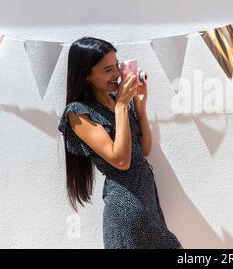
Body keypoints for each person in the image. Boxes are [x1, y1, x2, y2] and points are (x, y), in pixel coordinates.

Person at [58, 37, 181, 249]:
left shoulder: (117, 102)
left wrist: (139, 108)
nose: (116, 74)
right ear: (86, 75)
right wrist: (122, 106)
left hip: (147, 203)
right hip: (127, 208)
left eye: (116, 65)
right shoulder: (78, 113)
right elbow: (121, 161)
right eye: (107, 70)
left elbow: (144, 150)